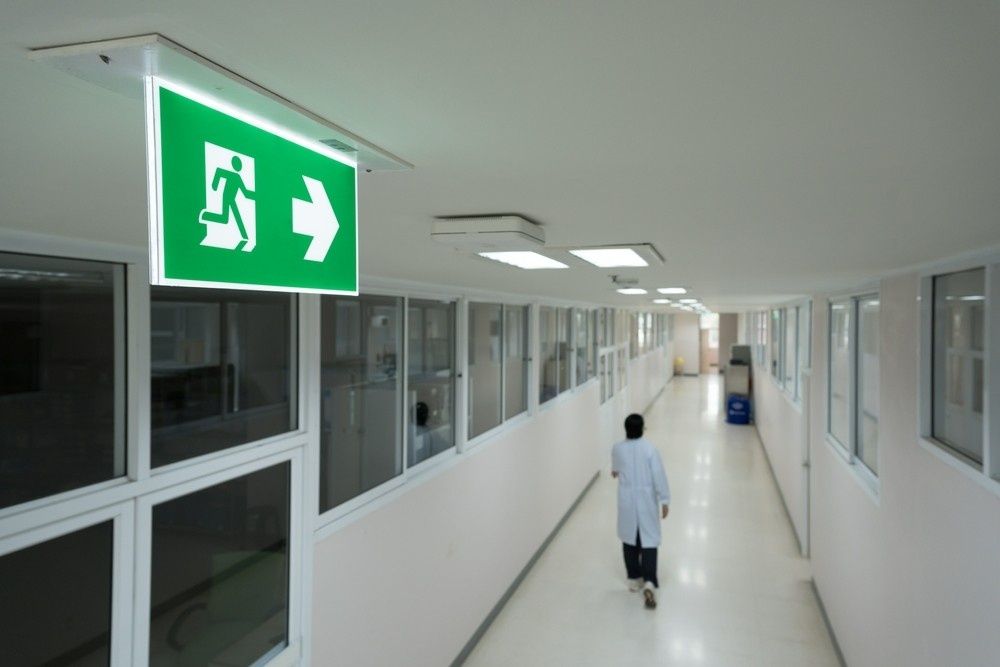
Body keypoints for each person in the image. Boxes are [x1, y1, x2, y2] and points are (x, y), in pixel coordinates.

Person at [611, 413, 671, 609]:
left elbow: (615, 470)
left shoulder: (618, 448)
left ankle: (633, 579)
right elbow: (658, 476)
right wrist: (664, 500)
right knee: (649, 540)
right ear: (643, 429)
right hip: (646, 502)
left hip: (628, 502)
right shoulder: (650, 450)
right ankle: (649, 582)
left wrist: (618, 471)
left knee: (630, 539)